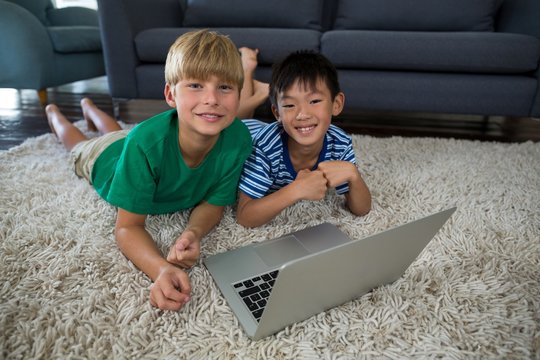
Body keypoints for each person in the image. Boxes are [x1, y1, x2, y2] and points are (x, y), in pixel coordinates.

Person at [46, 29, 256, 311]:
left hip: (133, 143)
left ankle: (90, 109)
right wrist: (160, 269)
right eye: (195, 85)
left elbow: (213, 203)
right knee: (81, 144)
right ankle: (55, 115)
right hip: (105, 161)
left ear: (239, 94)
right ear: (171, 94)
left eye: (225, 87)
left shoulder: (239, 139)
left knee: (118, 133)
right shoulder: (144, 143)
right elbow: (127, 227)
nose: (212, 99)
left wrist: (193, 232)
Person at [237, 51, 372, 228]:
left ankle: (252, 78)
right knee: (236, 118)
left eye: (314, 101)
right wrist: (295, 190)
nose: (303, 114)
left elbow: (362, 209)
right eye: (289, 105)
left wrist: (354, 175)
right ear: (277, 113)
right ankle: (247, 70)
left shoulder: (339, 142)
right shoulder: (264, 147)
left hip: (261, 128)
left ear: (336, 104)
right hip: (245, 133)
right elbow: (244, 217)